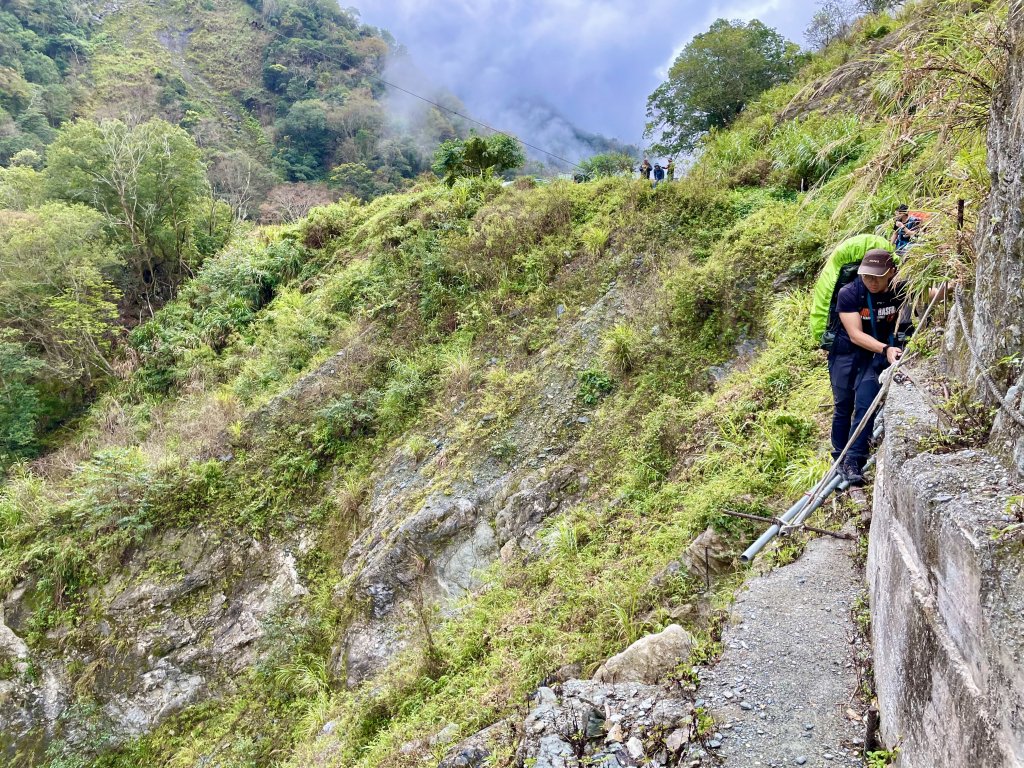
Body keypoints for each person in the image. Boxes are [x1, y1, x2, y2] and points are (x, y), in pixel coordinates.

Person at [828, 248, 947, 484]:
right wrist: (885, 349)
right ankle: (838, 457)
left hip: (877, 354)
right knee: (843, 405)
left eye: (877, 276)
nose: (871, 281)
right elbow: (855, 334)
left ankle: (853, 460)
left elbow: (933, 294)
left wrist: (954, 283)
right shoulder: (849, 293)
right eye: (866, 276)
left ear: (891, 272)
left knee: (866, 403)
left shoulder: (900, 288)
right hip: (848, 352)